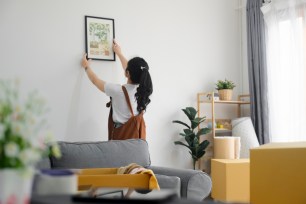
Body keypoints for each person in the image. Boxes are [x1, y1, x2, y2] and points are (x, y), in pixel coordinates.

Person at [81, 40, 153, 140]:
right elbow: (130, 70)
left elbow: (95, 81)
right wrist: (119, 53)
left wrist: (86, 67)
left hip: (121, 140)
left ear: (127, 73)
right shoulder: (144, 90)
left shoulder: (119, 91)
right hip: (138, 144)